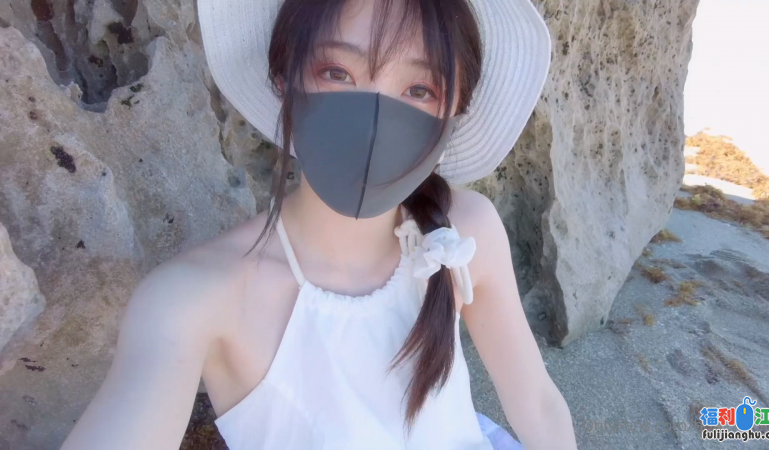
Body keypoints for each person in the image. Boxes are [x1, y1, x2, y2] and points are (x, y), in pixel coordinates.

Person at [61, 0, 577, 448]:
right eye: (337, 72)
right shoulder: (193, 300)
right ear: (284, 80)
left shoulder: (467, 230)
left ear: (455, 114)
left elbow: (536, 401)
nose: (375, 119)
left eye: (419, 88)